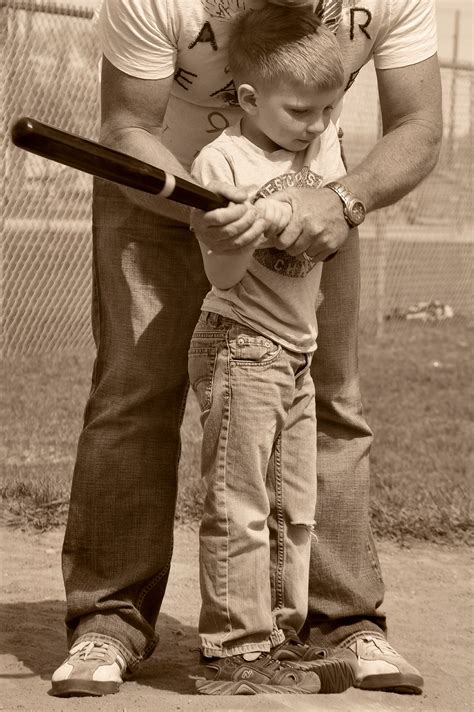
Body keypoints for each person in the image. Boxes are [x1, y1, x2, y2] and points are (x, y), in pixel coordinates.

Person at [51, 0, 442, 699]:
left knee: (330, 398)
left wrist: (343, 200)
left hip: (315, 193)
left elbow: (417, 126)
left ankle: (342, 622)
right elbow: (125, 125)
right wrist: (214, 210)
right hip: (162, 178)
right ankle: (108, 622)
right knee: (133, 395)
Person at [188, 6, 359, 696]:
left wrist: (287, 214)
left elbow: (330, 215)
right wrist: (234, 233)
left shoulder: (318, 150)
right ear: (251, 99)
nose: (316, 124)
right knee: (241, 503)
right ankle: (233, 646)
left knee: (296, 507)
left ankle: (279, 637)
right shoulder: (221, 162)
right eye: (300, 111)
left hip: (296, 351)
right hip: (241, 346)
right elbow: (222, 277)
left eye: (328, 107)